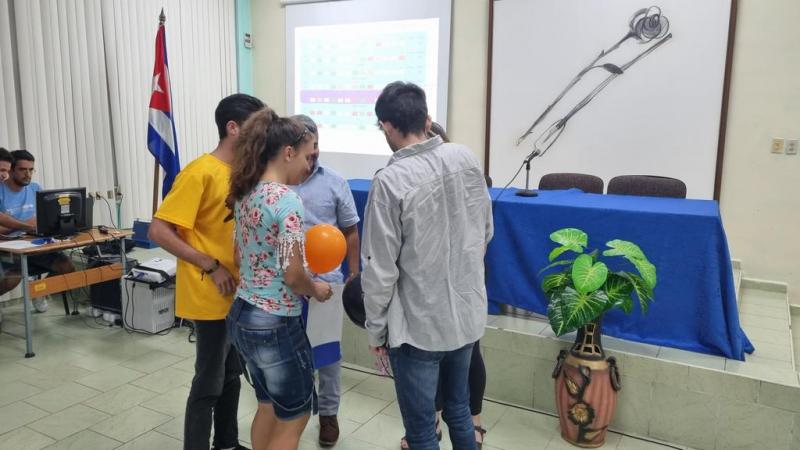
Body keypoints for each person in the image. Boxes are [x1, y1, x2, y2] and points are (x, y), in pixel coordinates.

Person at [362, 82, 493, 450]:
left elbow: (379, 269)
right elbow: (485, 230)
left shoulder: (389, 181)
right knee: (460, 412)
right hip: (465, 317)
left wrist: (376, 331)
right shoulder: (465, 157)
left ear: (387, 126)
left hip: (418, 326)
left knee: (421, 431)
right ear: (427, 118)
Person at [149, 93, 265, 450]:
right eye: (255, 127)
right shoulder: (199, 172)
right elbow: (159, 231)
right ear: (233, 128)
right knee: (209, 381)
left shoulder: (243, 173)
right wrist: (209, 264)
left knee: (231, 376)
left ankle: (227, 444)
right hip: (209, 292)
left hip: (237, 293)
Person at [225, 108, 333, 450]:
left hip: (243, 314)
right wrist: (316, 289)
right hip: (274, 322)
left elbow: (238, 256)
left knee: (268, 406)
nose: (310, 164)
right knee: (295, 416)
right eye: (308, 154)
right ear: (288, 152)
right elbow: (292, 271)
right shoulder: (287, 199)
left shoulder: (246, 193)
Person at [397, 122, 490, 449]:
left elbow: (484, 236)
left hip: (452, 302)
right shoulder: (407, 182)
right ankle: (441, 421)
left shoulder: (464, 176)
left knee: (453, 402)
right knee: (451, 404)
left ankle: (467, 422)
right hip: (441, 306)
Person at [288, 114, 360, 447]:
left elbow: (350, 231)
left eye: (317, 146)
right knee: (291, 355)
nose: (313, 153)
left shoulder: (334, 181)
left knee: (327, 355)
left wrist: (354, 274)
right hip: (286, 283)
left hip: (327, 284)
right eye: (308, 147)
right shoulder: (276, 181)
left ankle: (329, 416)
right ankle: (295, 412)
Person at [0, 150, 75, 312]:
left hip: (35, 244)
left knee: (67, 266)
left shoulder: (36, 189)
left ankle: (40, 292)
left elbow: (44, 219)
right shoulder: (1, 190)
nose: (28, 174)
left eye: (31, 169)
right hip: (9, 248)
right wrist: (25, 224)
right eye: (22, 170)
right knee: (10, 281)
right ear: (12, 170)